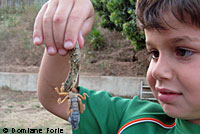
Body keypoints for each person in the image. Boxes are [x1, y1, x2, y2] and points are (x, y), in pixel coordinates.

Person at [33, 0, 200, 133]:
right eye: (154, 54)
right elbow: (55, 97)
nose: (157, 70)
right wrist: (66, 34)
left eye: (183, 52)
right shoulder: (134, 119)